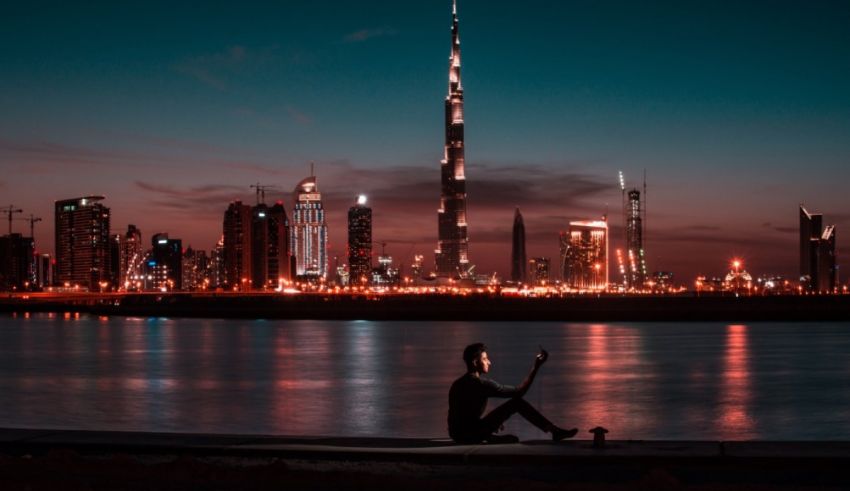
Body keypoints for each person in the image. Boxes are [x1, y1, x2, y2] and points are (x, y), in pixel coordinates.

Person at [447, 342, 577, 444]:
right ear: (475, 363)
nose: (489, 362)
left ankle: (489, 437)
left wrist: (493, 422)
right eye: (485, 359)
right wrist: (536, 367)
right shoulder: (481, 385)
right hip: (471, 434)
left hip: (457, 435)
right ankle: (554, 431)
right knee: (516, 403)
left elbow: (460, 417)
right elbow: (519, 392)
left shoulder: (457, 384)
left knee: (512, 437)